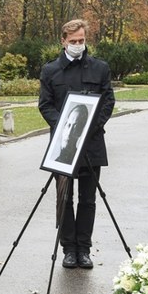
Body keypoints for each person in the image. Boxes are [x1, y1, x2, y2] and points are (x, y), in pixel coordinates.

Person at [39, 19, 115, 270]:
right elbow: (45, 105)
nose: (78, 45)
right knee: (64, 198)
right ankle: (68, 249)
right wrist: (62, 127)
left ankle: (84, 248)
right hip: (64, 147)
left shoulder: (99, 68)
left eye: (81, 41)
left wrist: (91, 127)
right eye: (73, 42)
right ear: (63, 41)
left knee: (88, 199)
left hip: (91, 145)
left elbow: (107, 101)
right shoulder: (51, 70)